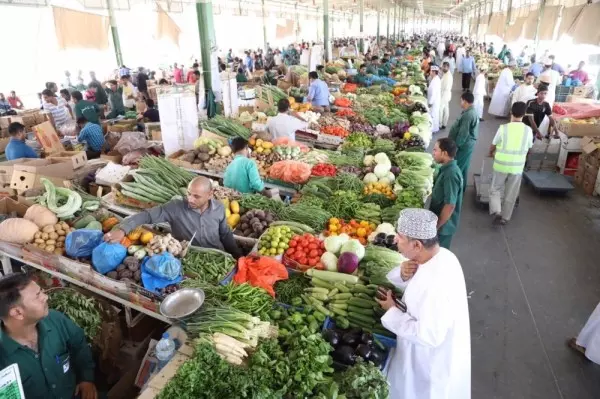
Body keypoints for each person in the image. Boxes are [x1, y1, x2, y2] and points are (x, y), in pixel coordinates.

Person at [376, 208, 470, 399]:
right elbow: (417, 286)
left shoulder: (436, 285)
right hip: (420, 356)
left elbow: (428, 336)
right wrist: (403, 273)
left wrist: (392, 310)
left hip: (429, 367)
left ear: (417, 244)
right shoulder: (441, 256)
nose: (395, 241)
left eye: (400, 237)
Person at [0, 273, 98, 399]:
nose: (45, 297)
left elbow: (79, 344)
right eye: (37, 296)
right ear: (18, 313)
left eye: (41, 291)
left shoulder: (55, 319)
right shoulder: (3, 357)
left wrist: (86, 378)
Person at [104, 176, 243, 258]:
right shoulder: (176, 207)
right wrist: (122, 230)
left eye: (196, 196)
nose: (190, 199)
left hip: (218, 256)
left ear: (210, 194)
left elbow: (225, 234)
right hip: (189, 258)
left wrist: (237, 255)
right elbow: (146, 216)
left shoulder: (218, 208)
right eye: (189, 193)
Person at [488, 102, 533, 225]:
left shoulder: (503, 128)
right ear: (524, 114)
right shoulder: (528, 130)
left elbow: (494, 144)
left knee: (495, 189)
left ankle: (497, 211)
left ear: (511, 112)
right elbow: (529, 148)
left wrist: (490, 152)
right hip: (517, 167)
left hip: (501, 164)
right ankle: (505, 217)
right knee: (511, 193)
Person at [430, 138, 463, 248]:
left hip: (443, 227)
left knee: (438, 255)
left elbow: (450, 205)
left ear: (444, 153)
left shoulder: (451, 174)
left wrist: (437, 226)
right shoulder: (446, 169)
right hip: (439, 222)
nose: (433, 153)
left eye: (435, 150)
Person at [448, 92, 479, 192]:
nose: (460, 103)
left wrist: (455, 147)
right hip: (468, 145)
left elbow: (463, 133)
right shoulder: (469, 112)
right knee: (464, 167)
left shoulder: (468, 115)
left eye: (461, 100)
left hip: (463, 146)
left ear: (465, 101)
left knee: (458, 168)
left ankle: (455, 190)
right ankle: (462, 188)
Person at [427, 65, 441, 134]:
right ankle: (434, 128)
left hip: (434, 102)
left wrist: (430, 103)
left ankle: (434, 129)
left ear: (434, 72)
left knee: (433, 115)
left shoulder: (436, 81)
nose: (430, 72)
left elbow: (434, 93)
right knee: (433, 114)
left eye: (431, 71)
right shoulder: (434, 79)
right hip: (434, 100)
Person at [440, 62, 453, 130]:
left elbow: (445, 87)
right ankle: (444, 123)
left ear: (448, 67)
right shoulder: (446, 74)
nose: (443, 68)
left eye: (445, 67)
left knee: (441, 109)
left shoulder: (448, 76)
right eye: (443, 66)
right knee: (445, 109)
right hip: (446, 94)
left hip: (445, 94)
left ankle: (440, 124)